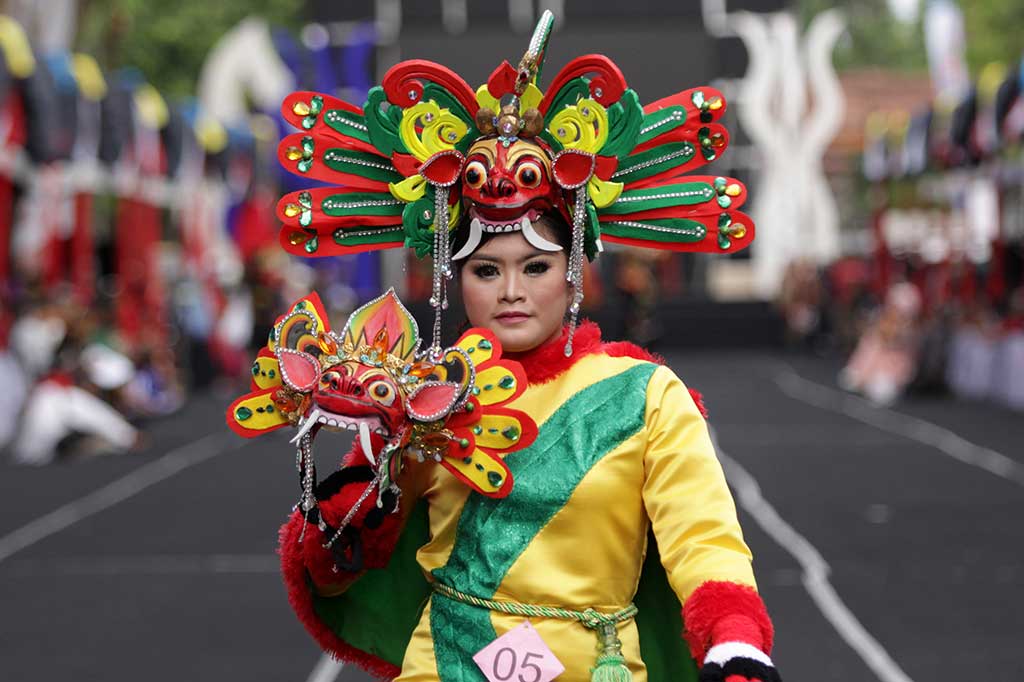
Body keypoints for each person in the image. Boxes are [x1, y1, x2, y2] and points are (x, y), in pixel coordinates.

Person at [249, 12, 778, 682]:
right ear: (454, 278)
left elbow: (705, 541)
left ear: (574, 271)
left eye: (535, 267)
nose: (511, 292)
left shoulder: (647, 396)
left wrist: (735, 644)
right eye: (485, 269)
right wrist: (351, 488)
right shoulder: (421, 397)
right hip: (443, 664)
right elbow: (336, 568)